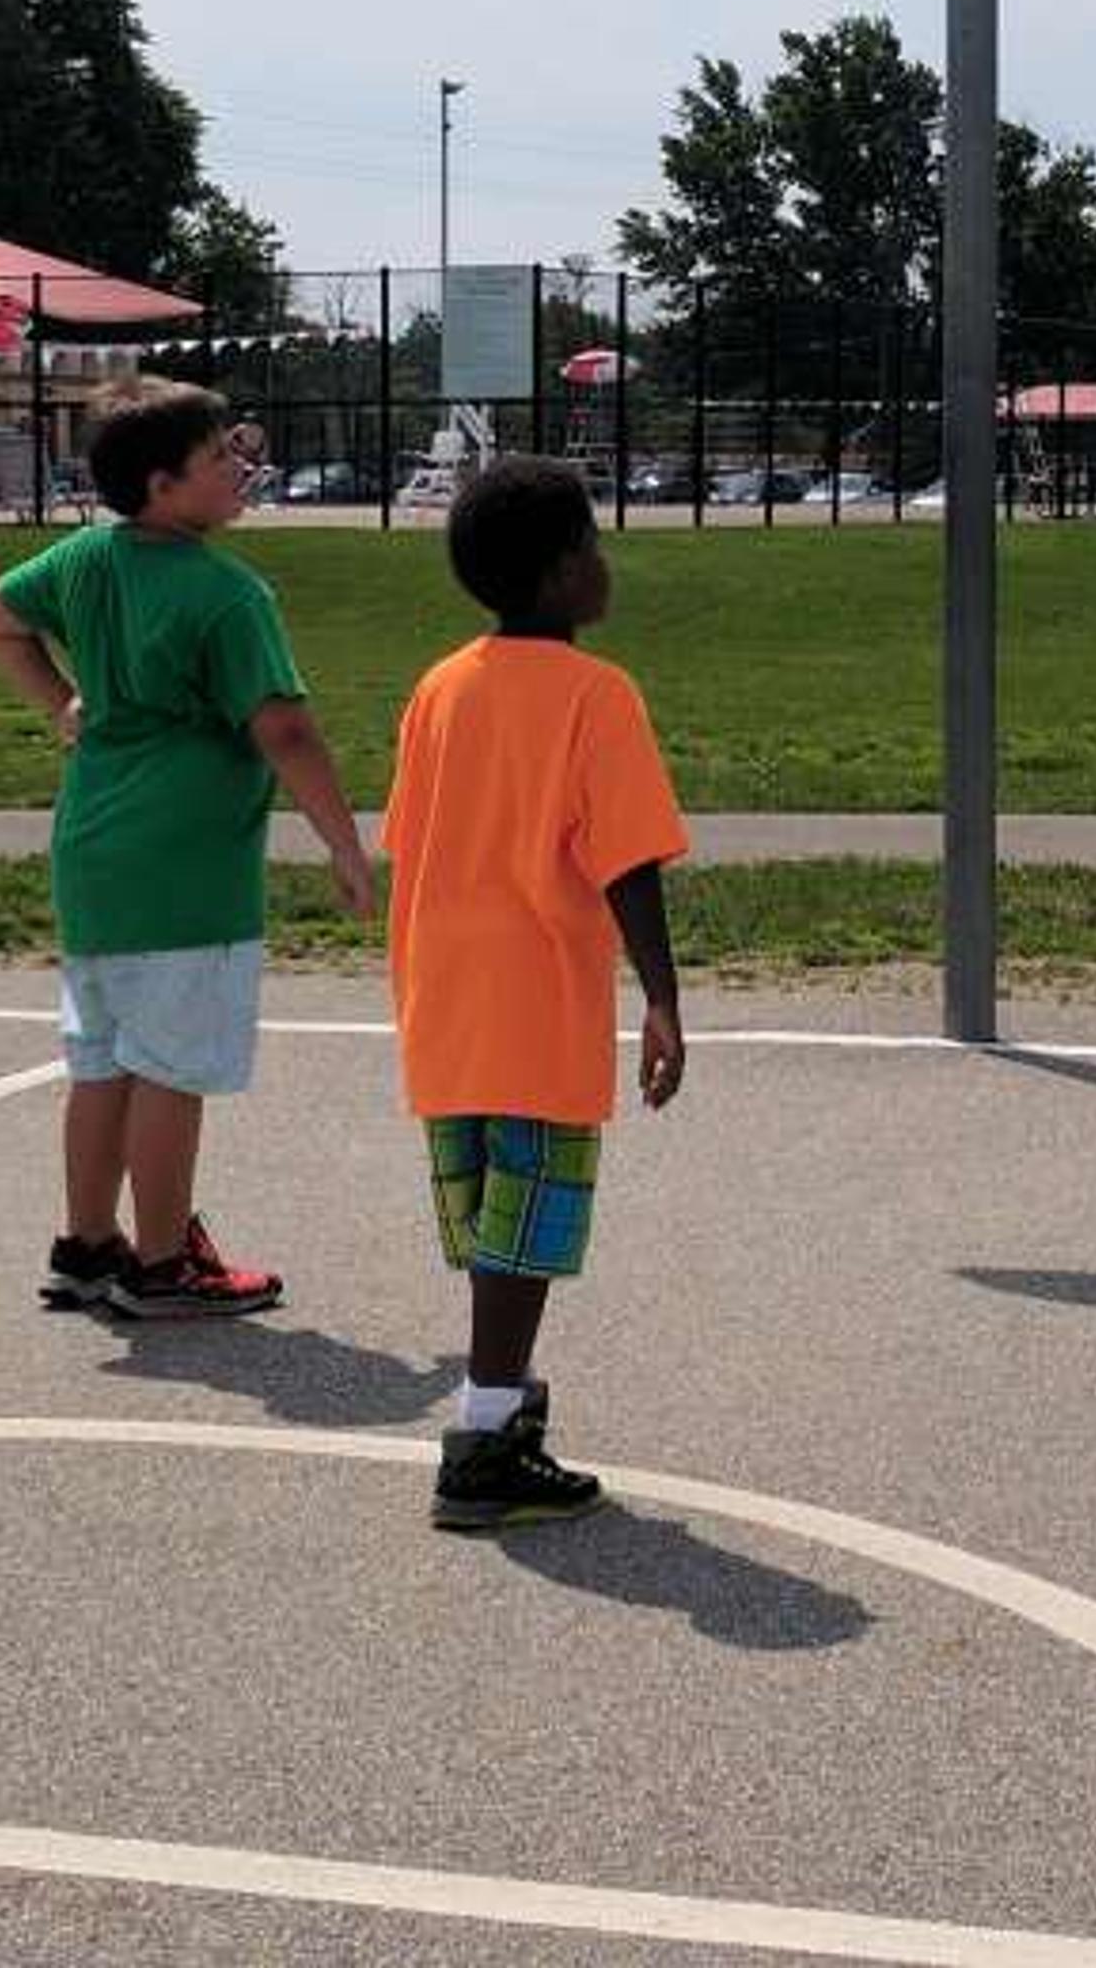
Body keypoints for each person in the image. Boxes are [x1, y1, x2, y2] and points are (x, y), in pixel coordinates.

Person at [0, 382, 377, 1321]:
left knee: (103, 1059)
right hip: (183, 869)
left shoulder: (86, 556)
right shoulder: (225, 592)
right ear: (162, 487)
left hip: (94, 847)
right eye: (218, 459)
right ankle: (159, 1259)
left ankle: (86, 1241)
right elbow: (284, 730)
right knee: (172, 1067)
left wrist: (61, 699)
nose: (239, 469)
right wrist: (346, 845)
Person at [383, 457, 689, 1530]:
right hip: (535, 992)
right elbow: (628, 860)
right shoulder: (597, 696)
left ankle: (496, 1398)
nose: (605, 565)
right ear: (564, 574)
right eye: (594, 546)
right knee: (528, 1223)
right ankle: (484, 1433)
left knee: (487, 1219)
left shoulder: (440, 685)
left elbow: (411, 839)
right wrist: (661, 997)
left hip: (444, 988)